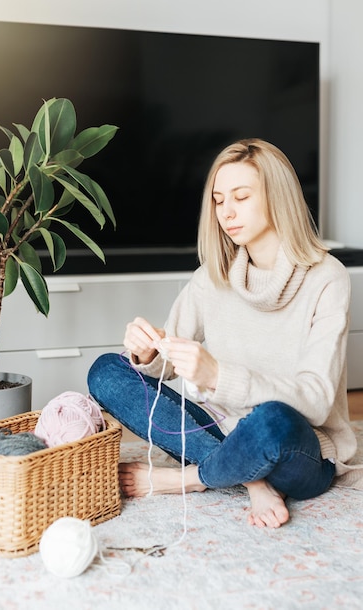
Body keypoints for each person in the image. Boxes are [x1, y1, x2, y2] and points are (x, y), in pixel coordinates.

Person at [88, 138, 358, 529]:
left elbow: (315, 401)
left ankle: (191, 479)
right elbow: (166, 363)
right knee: (106, 371)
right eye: (218, 200)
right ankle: (251, 479)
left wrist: (217, 376)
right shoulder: (211, 277)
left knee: (270, 421)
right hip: (221, 430)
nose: (226, 212)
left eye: (241, 197)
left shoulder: (327, 277)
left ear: (277, 197)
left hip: (298, 447)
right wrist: (147, 354)